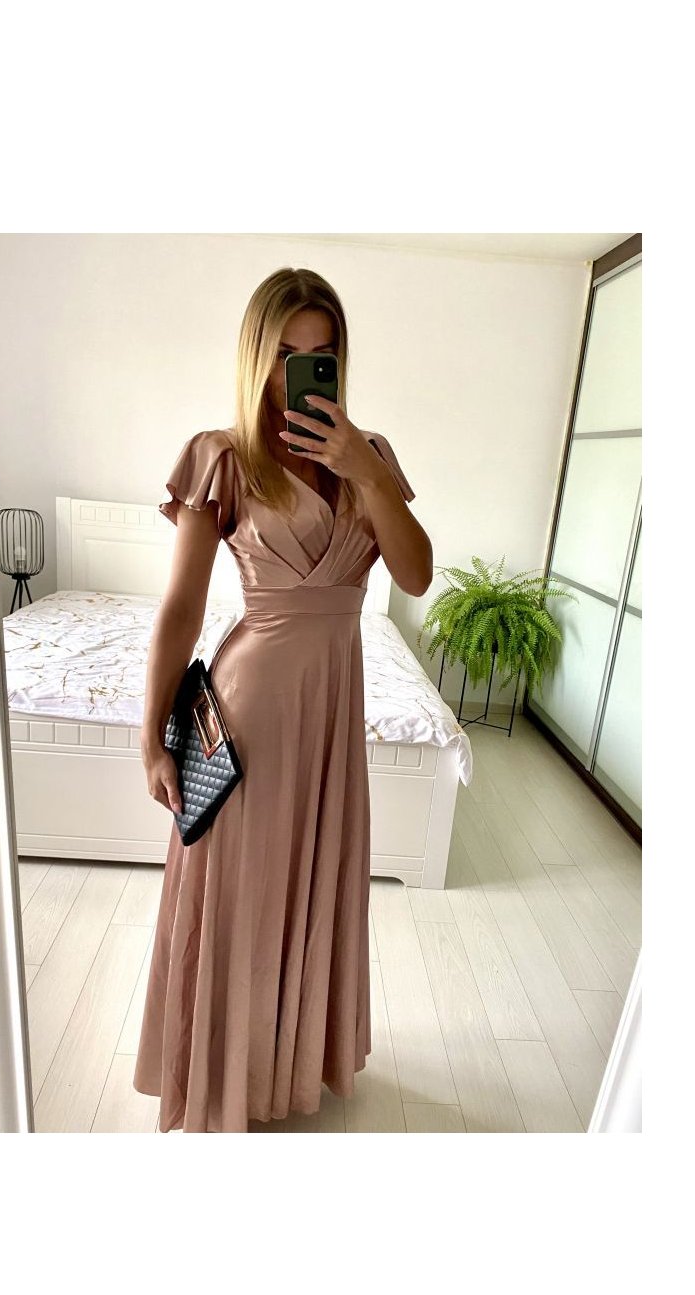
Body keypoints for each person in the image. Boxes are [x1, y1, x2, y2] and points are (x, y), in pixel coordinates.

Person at [133, 267, 432, 1132]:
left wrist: (364, 472)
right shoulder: (222, 457)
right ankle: (222, 1073)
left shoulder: (370, 455)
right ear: (258, 358)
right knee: (239, 895)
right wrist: (152, 738)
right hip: (248, 710)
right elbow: (182, 607)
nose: (301, 368)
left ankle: (281, 1067)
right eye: (285, 353)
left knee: (309, 886)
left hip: (332, 712)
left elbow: (415, 574)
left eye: (321, 351)